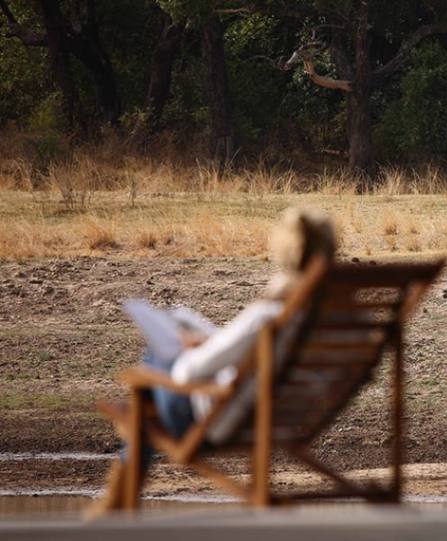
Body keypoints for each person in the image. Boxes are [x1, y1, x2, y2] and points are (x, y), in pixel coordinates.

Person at [87, 207, 337, 516]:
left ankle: (117, 493)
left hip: (224, 420)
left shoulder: (268, 315)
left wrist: (193, 351)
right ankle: (117, 495)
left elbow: (186, 373)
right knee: (153, 396)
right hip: (293, 415)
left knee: (155, 364)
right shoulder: (332, 318)